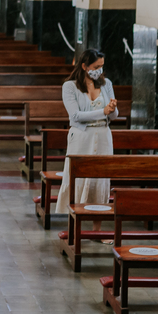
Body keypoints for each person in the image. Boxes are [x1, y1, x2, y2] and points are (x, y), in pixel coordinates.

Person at [55, 49, 118, 242]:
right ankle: (73, 228)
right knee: (77, 180)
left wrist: (113, 109)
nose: (99, 71)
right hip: (81, 138)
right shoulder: (70, 87)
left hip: (103, 136)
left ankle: (96, 231)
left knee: (99, 181)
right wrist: (103, 111)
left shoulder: (106, 84)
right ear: (84, 66)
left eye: (101, 67)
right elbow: (75, 116)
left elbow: (113, 116)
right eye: (95, 67)